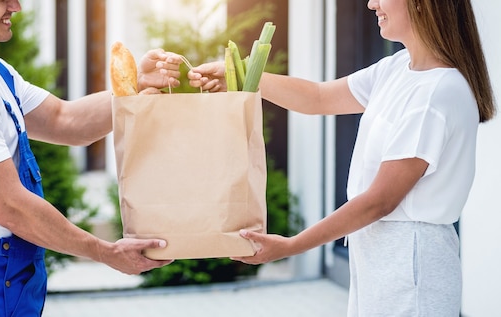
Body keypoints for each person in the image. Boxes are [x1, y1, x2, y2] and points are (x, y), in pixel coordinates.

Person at [187, 0, 495, 315]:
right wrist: (236, 76)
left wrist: (292, 246)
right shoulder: (396, 68)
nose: (372, 3)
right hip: (381, 257)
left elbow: (380, 201)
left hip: (411, 263)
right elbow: (317, 97)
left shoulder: (437, 92)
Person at [0, 0, 181, 315]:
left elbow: (65, 120)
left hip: (10, 275)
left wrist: (134, 87)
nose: (17, 6)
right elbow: (12, 208)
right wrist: (105, 252)